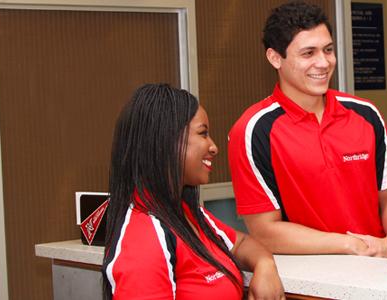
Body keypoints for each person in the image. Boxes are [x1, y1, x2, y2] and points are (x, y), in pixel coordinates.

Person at [228, 1, 387, 258]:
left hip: (377, 270)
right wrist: (349, 245)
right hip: (308, 284)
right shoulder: (253, 130)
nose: (324, 62)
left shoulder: (366, 114)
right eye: (308, 53)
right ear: (275, 58)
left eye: (328, 50)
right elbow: (264, 231)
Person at [101, 84, 284, 299]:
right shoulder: (147, 236)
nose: (213, 147)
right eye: (203, 133)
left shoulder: (187, 213)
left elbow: (242, 243)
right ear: (167, 140)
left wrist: (265, 264)